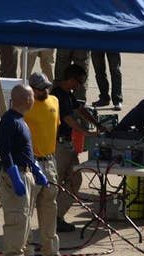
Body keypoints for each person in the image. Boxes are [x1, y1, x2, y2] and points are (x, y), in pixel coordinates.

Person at [0, 85, 50, 256]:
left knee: (25, 218)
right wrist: (14, 175)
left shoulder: (21, 121)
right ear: (27, 99)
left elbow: (24, 149)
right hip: (16, 175)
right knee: (17, 219)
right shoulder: (9, 121)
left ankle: (23, 255)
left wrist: (35, 168)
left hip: (26, 172)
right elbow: (5, 151)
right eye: (32, 97)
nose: (34, 100)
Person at [51, 64, 105, 232]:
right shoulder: (56, 95)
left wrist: (97, 124)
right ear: (71, 79)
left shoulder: (68, 94)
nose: (79, 86)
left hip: (68, 144)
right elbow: (67, 118)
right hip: (58, 146)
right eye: (79, 82)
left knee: (75, 180)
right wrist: (85, 133)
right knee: (57, 183)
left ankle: (57, 216)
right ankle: (52, 219)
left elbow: (80, 110)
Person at [22, 73, 69, 256]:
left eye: (46, 87)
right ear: (31, 89)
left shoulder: (55, 101)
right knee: (26, 210)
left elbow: (54, 128)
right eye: (40, 88)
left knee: (49, 209)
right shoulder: (23, 106)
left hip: (49, 162)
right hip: (30, 162)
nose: (45, 91)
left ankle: (51, 252)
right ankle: (27, 252)